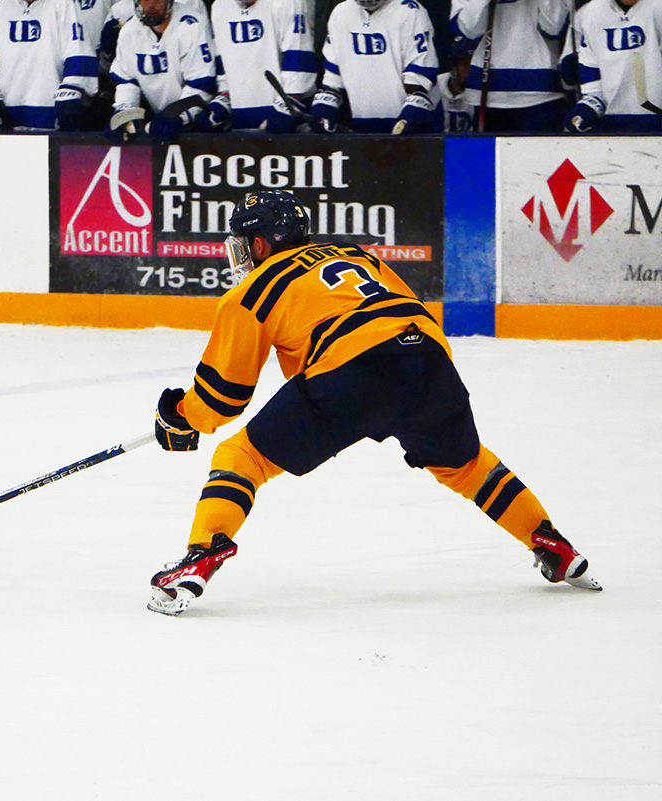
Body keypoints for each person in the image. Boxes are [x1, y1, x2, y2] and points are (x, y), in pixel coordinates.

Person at [146, 190, 601, 616]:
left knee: (241, 456)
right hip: (427, 357)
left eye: (244, 243)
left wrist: (181, 418)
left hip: (354, 372)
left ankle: (201, 557)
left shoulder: (252, 291)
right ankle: (551, 542)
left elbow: (222, 399)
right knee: (464, 464)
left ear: (261, 243)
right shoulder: (354, 254)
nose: (241, 253)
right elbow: (403, 306)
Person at [312, 0, 440, 134]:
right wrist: (324, 109)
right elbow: (333, 76)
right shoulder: (341, 12)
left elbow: (419, 77)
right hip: (361, 124)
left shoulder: (410, 11)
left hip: (409, 126)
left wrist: (410, 117)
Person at [0, 0, 99, 131]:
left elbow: (79, 53)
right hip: (9, 120)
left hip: (50, 119)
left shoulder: (63, 4)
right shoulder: (3, 6)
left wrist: (71, 95)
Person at [106, 0, 219, 142]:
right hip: (160, 120)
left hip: (199, 123)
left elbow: (202, 84)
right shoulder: (129, 32)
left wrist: (179, 115)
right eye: (145, 1)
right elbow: (127, 82)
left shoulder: (192, 25)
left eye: (158, 0)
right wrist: (126, 115)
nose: (151, 6)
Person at [449, 0, 570, 132]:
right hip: (488, 92)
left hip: (540, 91)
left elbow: (553, 26)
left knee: (538, 152)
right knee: (490, 152)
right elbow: (469, 30)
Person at [208, 0, 317, 132]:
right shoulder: (219, 7)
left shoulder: (287, 3)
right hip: (239, 125)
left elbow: (299, 57)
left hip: (288, 126)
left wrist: (289, 105)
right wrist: (223, 99)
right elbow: (223, 65)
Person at [560, 0, 662, 133]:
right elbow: (593, 88)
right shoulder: (589, 14)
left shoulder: (658, 8)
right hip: (611, 125)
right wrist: (588, 109)